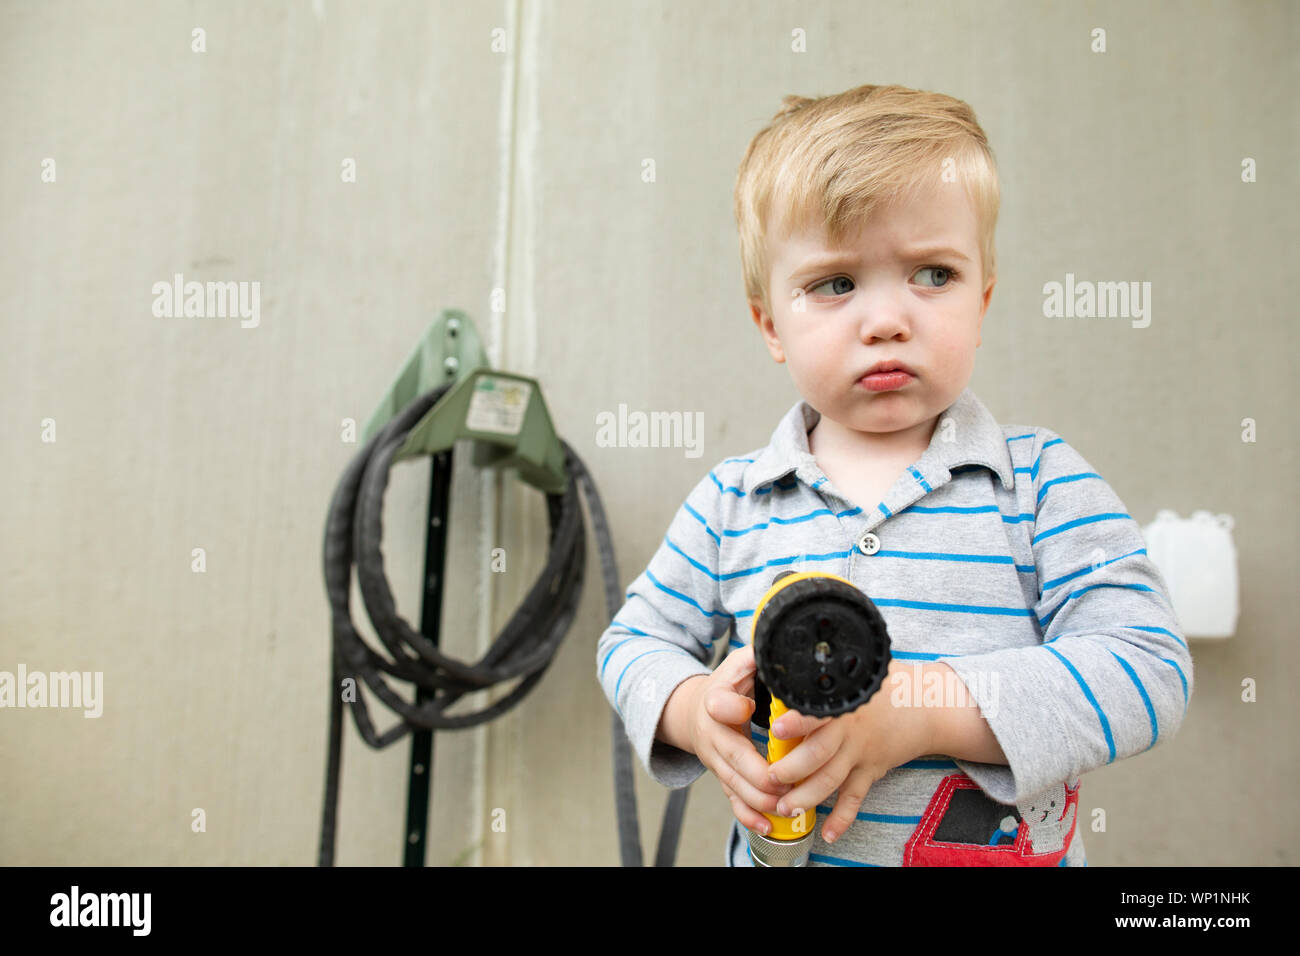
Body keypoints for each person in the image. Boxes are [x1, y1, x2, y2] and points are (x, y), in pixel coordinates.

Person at [595, 83, 1193, 866]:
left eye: (933, 275)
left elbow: (1147, 667)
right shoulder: (732, 503)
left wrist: (920, 711)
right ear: (771, 324)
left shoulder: (1039, 487)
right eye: (835, 284)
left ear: (982, 300)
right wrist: (688, 709)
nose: (886, 319)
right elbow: (633, 642)